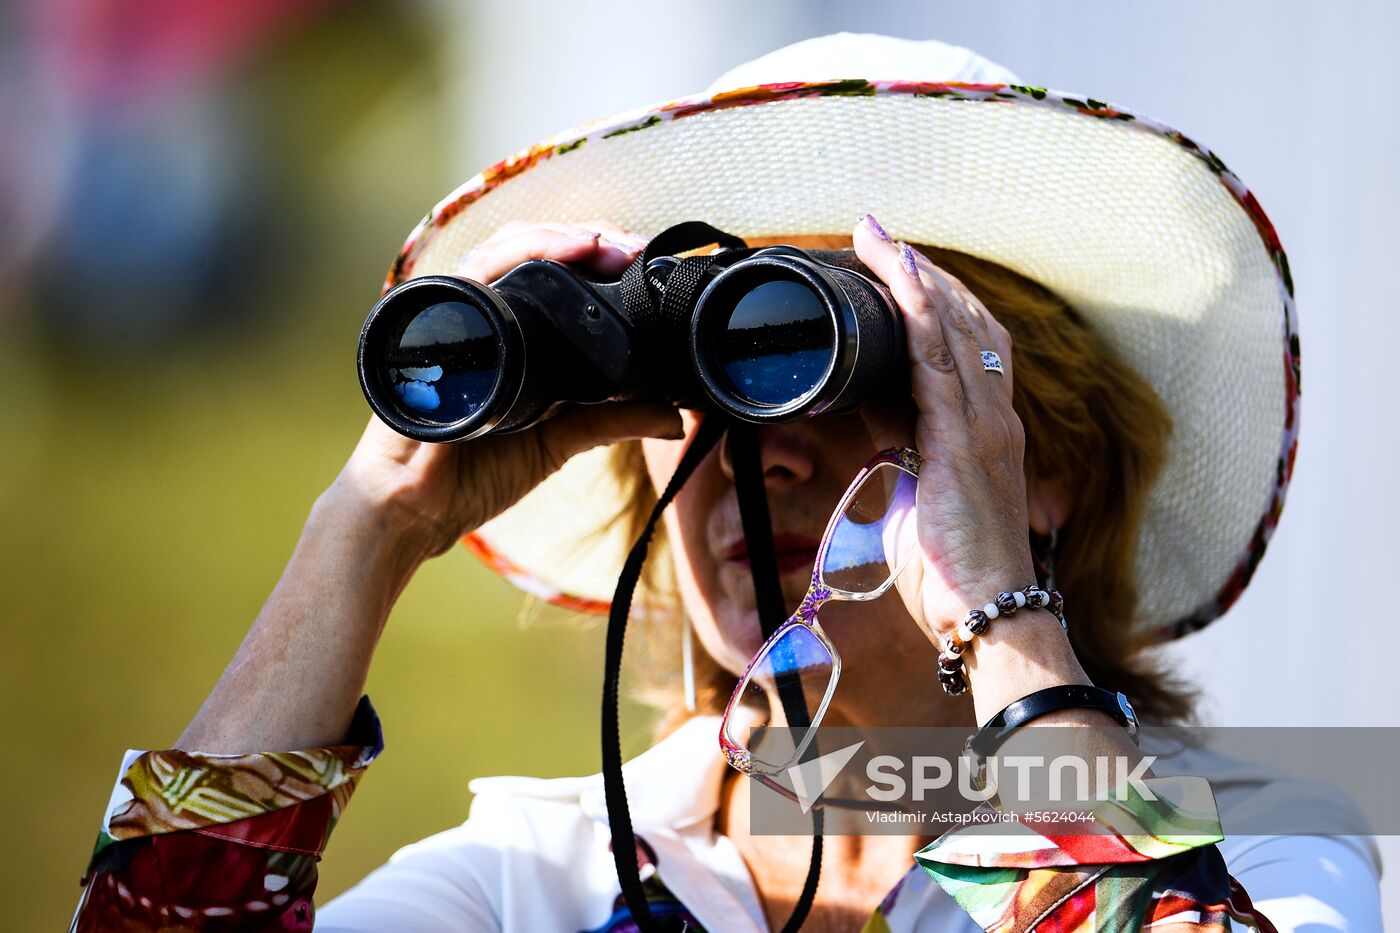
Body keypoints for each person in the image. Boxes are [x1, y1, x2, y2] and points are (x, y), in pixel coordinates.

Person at [72, 34, 1381, 932]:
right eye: (725, 379)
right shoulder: (543, 877)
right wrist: (372, 523)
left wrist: (998, 604)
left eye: (847, 366)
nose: (771, 448)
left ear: (1044, 469)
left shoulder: (1267, 849)